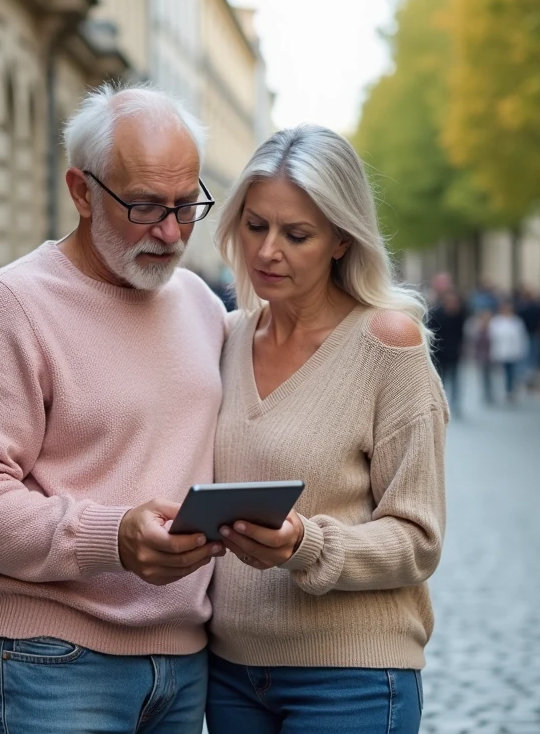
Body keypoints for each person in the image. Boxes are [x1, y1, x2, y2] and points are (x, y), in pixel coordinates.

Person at [0, 86, 229, 733]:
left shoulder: (201, 304)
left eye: (185, 205)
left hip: (185, 662)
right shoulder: (12, 303)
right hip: (49, 660)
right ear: (82, 191)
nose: (170, 232)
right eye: (144, 206)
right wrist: (109, 536)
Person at [205, 125, 447, 733]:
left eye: (297, 235)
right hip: (229, 674)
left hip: (351, 679)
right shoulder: (227, 338)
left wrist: (303, 545)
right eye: (255, 225)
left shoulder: (388, 345)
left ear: (341, 240)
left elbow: (418, 539)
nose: (267, 251)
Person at [426, 288, 468, 418]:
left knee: (455, 380)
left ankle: (455, 405)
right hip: (439, 354)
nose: (453, 304)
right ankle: (440, 404)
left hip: (454, 353)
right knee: (440, 381)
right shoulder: (436, 314)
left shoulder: (459, 314)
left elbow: (461, 334)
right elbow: (431, 334)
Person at [489, 300, 529, 404]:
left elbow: (521, 337)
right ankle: (500, 391)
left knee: (511, 372)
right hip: (500, 351)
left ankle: (510, 391)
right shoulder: (496, 321)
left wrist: (521, 350)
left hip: (513, 351)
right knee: (500, 373)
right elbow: (492, 336)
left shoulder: (517, 322)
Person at [516, 288, 540, 385]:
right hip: (532, 332)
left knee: (529, 352)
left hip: (530, 332)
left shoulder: (523, 308)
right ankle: (531, 371)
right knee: (532, 352)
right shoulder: (535, 307)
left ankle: (528, 371)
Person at [470, 308, 495, 405]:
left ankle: (490, 393)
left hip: (491, 356)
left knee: (490, 376)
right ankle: (485, 393)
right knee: (483, 375)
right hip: (481, 356)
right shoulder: (477, 329)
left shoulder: (493, 328)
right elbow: (474, 343)